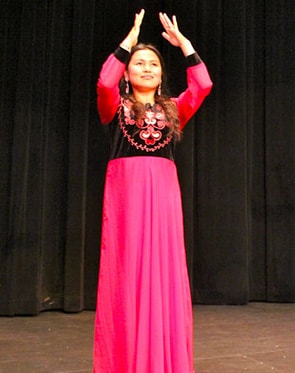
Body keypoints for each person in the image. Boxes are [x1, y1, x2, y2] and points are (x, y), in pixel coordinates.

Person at [94, 9, 213, 372]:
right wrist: (128, 42)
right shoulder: (114, 107)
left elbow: (203, 86)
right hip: (126, 193)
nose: (147, 68)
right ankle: (127, 358)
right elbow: (103, 83)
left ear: (162, 76)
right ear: (128, 74)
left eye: (154, 64)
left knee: (163, 269)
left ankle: (163, 358)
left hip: (163, 193)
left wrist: (185, 46)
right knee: (127, 270)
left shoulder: (174, 109)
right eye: (139, 63)